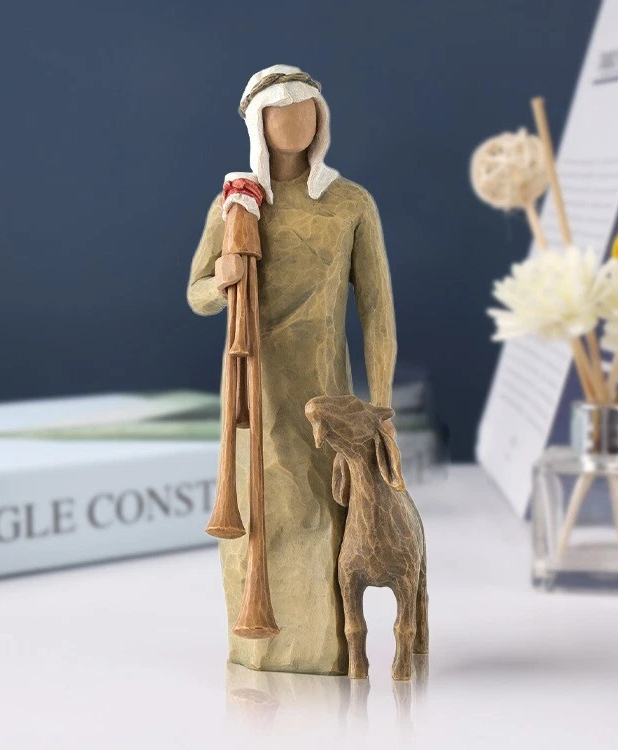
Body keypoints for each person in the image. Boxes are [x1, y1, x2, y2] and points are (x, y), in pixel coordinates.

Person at [187, 65, 397, 674]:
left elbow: (377, 312)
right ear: (259, 122)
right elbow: (198, 295)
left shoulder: (350, 204)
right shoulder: (235, 207)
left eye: (306, 111)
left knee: (325, 517)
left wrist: (380, 409)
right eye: (281, 113)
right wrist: (223, 278)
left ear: (320, 120)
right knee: (256, 520)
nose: (295, 123)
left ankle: (327, 647)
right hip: (250, 396)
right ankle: (255, 644)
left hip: (326, 396)